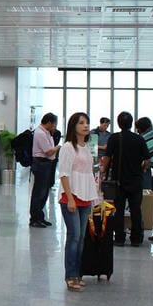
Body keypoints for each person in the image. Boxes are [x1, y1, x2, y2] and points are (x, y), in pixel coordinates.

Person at [58, 112, 98, 292]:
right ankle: (70, 275)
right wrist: (70, 198)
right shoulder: (68, 147)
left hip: (85, 197)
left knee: (81, 237)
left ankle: (78, 274)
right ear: (73, 126)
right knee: (74, 236)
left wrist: (94, 195)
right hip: (71, 197)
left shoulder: (86, 147)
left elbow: (89, 173)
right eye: (81, 123)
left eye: (87, 122)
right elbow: (64, 174)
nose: (85, 126)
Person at [102, 111, 150, 247]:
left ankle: (119, 238)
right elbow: (147, 160)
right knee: (136, 210)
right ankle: (136, 238)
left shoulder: (114, 138)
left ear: (118, 123)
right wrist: (142, 169)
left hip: (119, 181)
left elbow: (107, 157)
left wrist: (103, 170)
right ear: (131, 123)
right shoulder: (139, 139)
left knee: (119, 210)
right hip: (135, 180)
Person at [28, 113, 60, 228]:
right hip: (41, 164)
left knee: (44, 192)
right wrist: (58, 147)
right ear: (49, 123)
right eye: (54, 124)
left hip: (46, 164)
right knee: (39, 192)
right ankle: (35, 218)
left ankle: (40, 217)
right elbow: (48, 151)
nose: (55, 127)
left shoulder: (46, 132)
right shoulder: (40, 133)